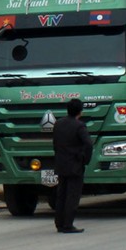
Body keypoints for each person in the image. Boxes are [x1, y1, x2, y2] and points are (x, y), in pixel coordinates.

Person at [53, 98, 94, 233]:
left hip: (61, 163)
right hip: (75, 164)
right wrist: (85, 159)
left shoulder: (58, 124)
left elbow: (55, 143)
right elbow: (88, 144)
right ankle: (68, 224)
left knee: (61, 194)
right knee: (72, 195)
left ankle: (59, 223)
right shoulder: (79, 126)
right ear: (80, 111)